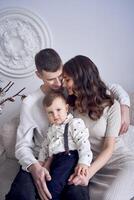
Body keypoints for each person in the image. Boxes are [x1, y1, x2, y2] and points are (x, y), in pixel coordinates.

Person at [5, 48, 130, 200]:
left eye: (61, 77)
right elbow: (22, 146)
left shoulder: (71, 91)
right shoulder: (31, 103)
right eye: (51, 79)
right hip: (42, 157)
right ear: (39, 75)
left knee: (77, 195)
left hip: (76, 158)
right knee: (22, 195)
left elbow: (102, 86)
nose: (58, 83)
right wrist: (34, 167)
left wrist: (125, 105)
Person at [63, 55, 134, 200]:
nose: (64, 84)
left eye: (67, 79)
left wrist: (88, 174)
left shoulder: (111, 106)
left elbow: (109, 147)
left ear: (80, 79)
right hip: (93, 169)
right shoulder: (70, 108)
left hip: (119, 163)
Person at [38, 90, 92, 200]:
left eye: (58, 110)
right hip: (55, 160)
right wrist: (41, 162)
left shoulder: (74, 123)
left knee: (52, 187)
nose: (55, 115)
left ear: (66, 108)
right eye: (50, 112)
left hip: (69, 157)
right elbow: (45, 147)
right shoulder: (51, 130)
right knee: (53, 182)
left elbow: (83, 143)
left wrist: (84, 162)